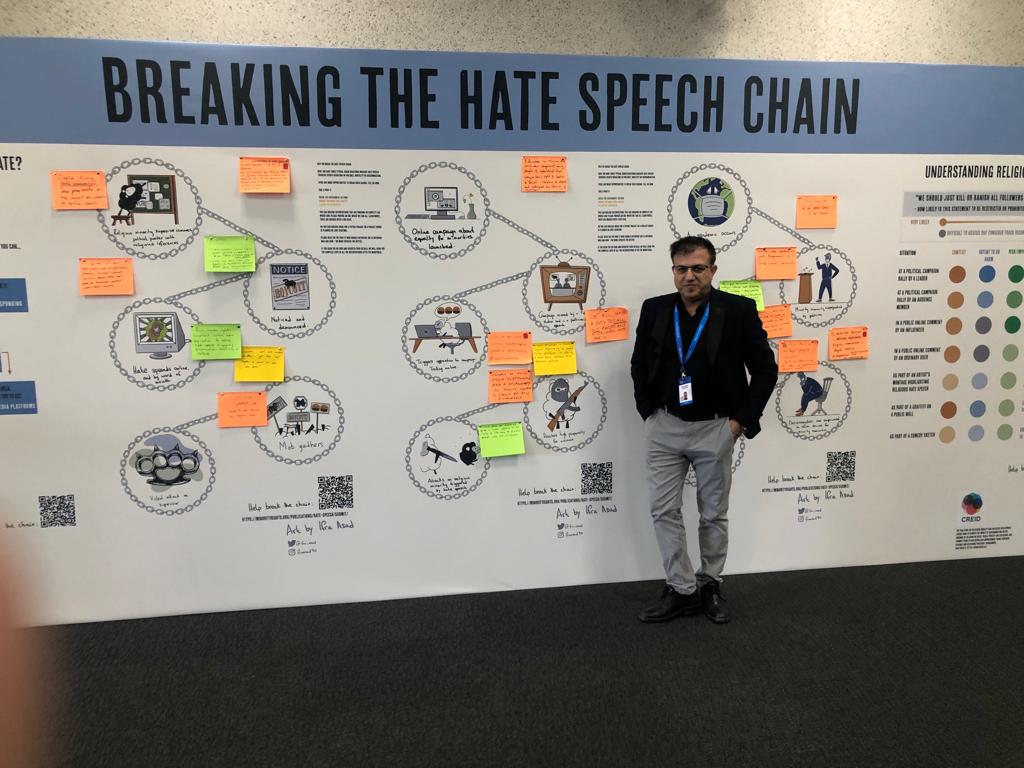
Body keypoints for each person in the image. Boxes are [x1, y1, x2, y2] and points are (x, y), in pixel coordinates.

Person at [630, 236, 778, 624]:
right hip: (665, 426)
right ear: (673, 271)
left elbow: (765, 369)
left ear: (713, 270)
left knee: (713, 514)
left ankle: (709, 583)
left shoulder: (739, 310)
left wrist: (739, 422)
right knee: (664, 511)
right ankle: (681, 589)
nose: (690, 276)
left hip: (716, 427)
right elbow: (639, 363)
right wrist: (648, 411)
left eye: (698, 268)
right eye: (682, 268)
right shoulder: (655, 309)